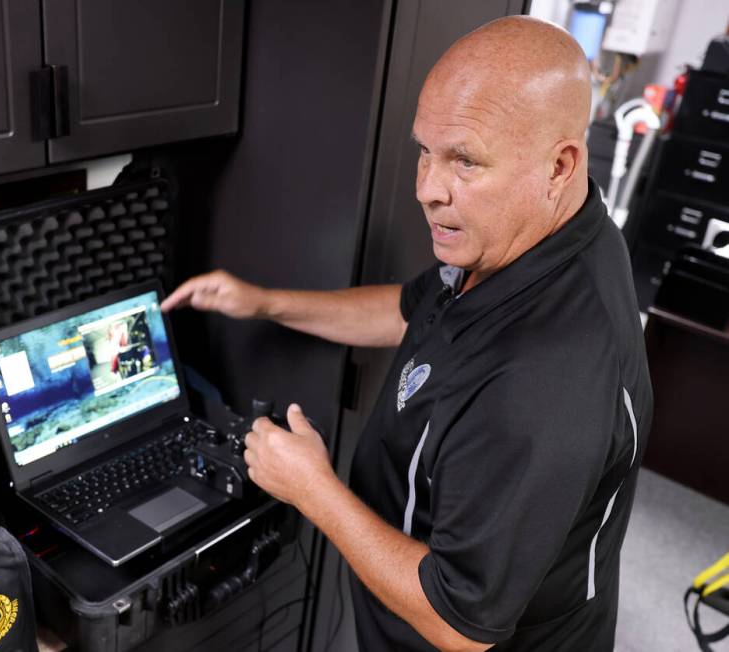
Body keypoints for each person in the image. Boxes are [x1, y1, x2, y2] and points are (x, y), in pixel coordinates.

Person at [162, 15, 651, 652]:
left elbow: (458, 622)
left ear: (560, 165)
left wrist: (314, 489)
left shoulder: (547, 380)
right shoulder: (534, 237)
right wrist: (264, 303)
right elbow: (406, 309)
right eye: (425, 150)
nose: (427, 190)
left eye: (465, 162)